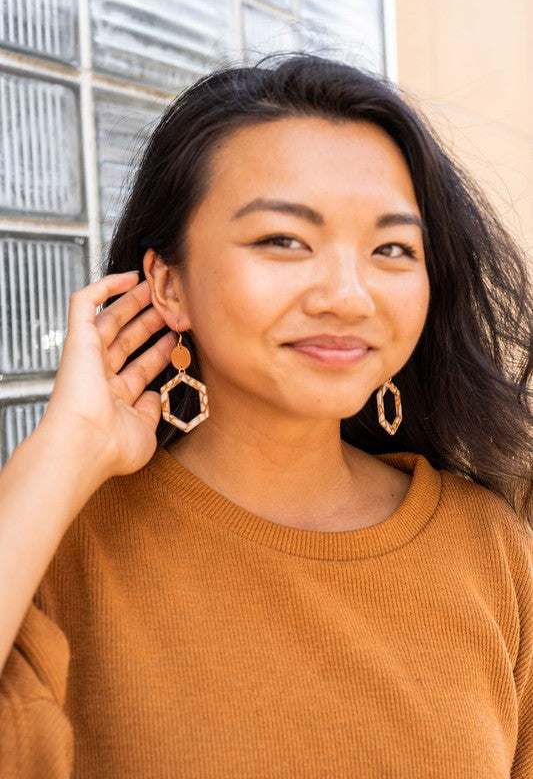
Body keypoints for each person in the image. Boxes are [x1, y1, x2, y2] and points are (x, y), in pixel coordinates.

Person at [0, 53, 531, 778]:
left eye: (391, 248)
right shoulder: (55, 549)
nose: (348, 295)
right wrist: (65, 450)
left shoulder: (488, 547)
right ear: (168, 283)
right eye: (283, 240)